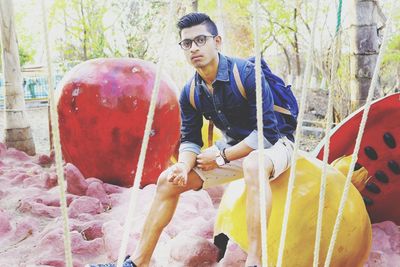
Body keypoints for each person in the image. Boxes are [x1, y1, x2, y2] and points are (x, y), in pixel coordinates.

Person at [88, 12, 294, 267]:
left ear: (217, 42)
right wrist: (184, 166)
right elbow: (190, 140)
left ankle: (254, 261)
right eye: (187, 43)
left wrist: (221, 156)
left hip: (275, 146)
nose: (194, 48)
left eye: (200, 40)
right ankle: (136, 262)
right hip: (233, 150)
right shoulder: (190, 92)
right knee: (167, 181)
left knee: (253, 163)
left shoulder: (247, 74)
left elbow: (267, 135)